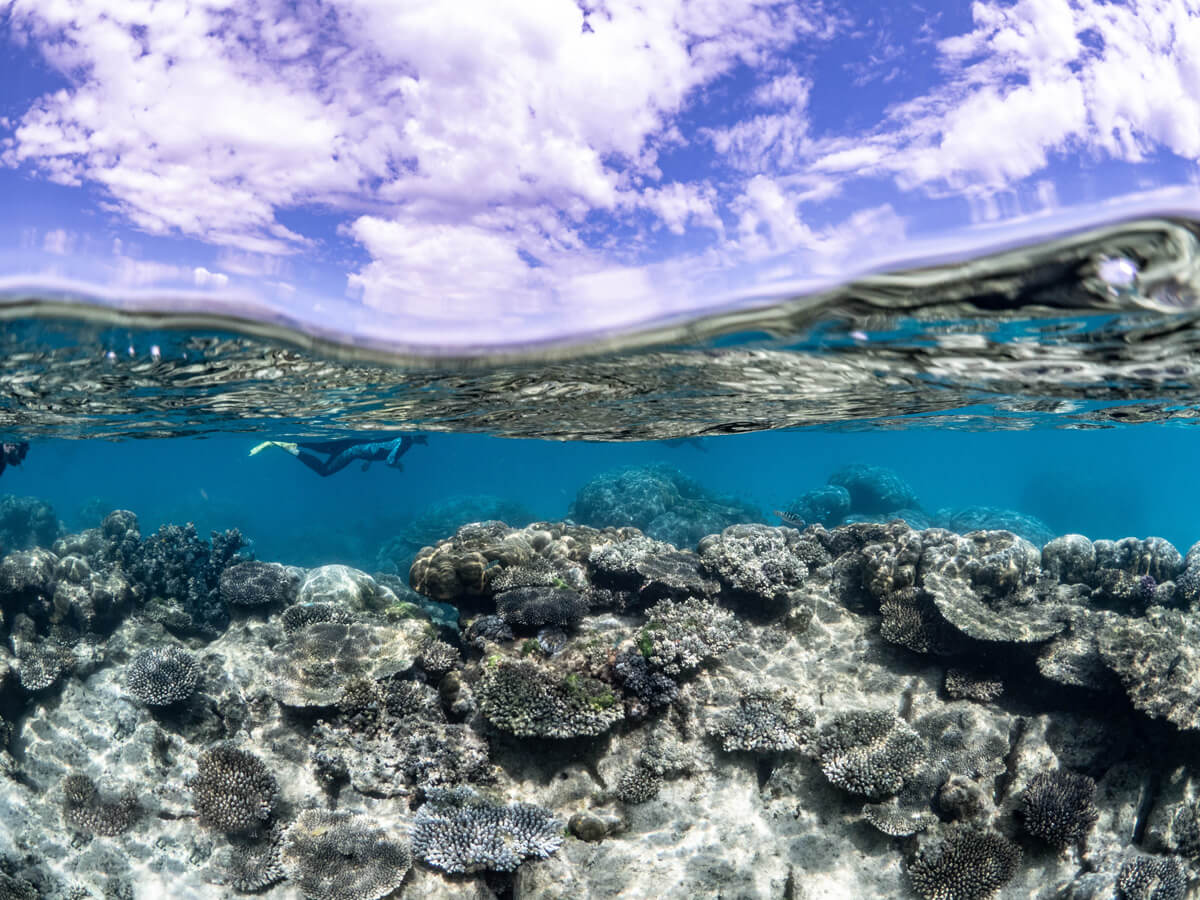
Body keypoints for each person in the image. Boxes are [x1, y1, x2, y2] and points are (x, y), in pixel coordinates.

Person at [250, 434, 428, 477]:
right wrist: (399, 465)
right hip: (351, 451)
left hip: (351, 444)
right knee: (324, 471)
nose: (424, 441)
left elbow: (379, 445)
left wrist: (368, 461)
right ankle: (281, 445)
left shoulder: (403, 438)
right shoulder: (406, 442)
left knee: (320, 447)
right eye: (424, 438)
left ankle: (278, 440)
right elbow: (389, 459)